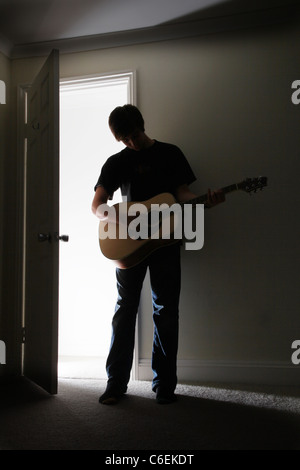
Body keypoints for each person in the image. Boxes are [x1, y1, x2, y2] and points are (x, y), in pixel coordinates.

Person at [92, 105, 225, 405]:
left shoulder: (170, 153)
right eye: (125, 139)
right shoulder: (117, 162)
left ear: (143, 125)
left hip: (166, 243)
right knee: (125, 310)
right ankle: (115, 383)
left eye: (135, 135)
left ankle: (164, 384)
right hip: (129, 247)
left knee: (166, 312)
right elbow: (97, 205)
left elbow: (182, 196)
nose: (132, 143)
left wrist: (206, 202)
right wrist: (121, 219)